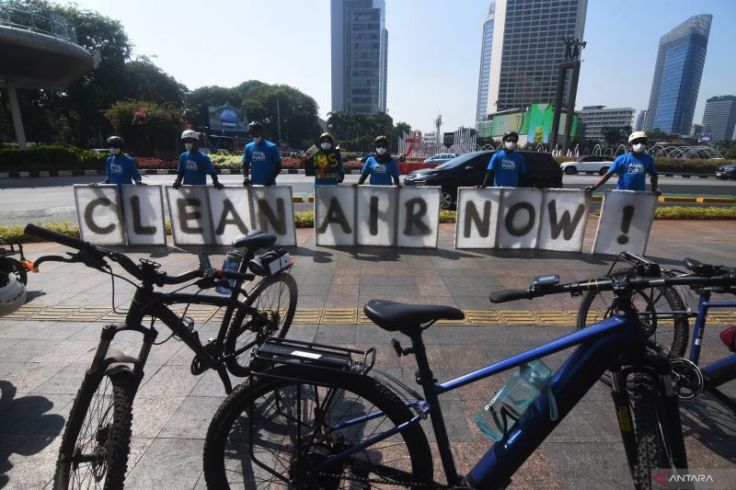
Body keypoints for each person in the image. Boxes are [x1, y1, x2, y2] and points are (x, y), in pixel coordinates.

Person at [585, 131, 658, 194]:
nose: (640, 144)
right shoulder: (621, 159)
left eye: (642, 142)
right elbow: (608, 174)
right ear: (630, 144)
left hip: (639, 195)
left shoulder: (648, 159)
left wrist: (654, 189)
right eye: (636, 142)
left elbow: (654, 175)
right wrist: (594, 186)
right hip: (621, 193)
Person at [242, 121, 282, 186]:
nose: (255, 136)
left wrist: (271, 178)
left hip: (269, 185)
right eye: (253, 134)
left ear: (261, 132)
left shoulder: (272, 147)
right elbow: (245, 164)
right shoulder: (248, 147)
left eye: (256, 133)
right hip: (254, 185)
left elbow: (278, 166)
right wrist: (246, 178)